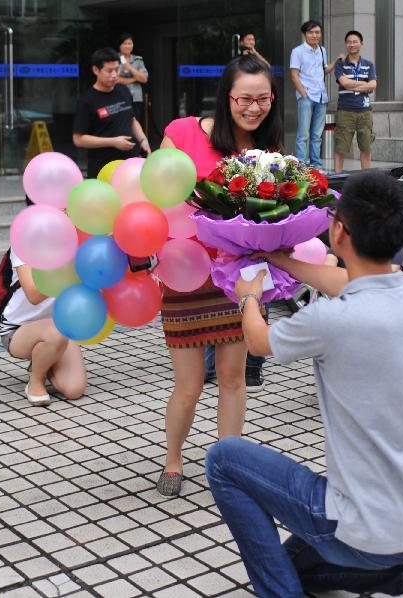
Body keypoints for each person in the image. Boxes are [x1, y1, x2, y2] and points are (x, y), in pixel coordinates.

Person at [205, 171, 403, 598]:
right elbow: (351, 282)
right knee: (293, 566)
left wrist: (248, 297)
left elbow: (257, 339)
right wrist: (280, 260)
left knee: (224, 458)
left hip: (355, 527)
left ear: (338, 231)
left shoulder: (332, 320)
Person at [155, 54, 283, 497]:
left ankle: (228, 464)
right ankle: (173, 459)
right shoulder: (182, 132)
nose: (254, 107)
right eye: (244, 98)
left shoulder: (266, 151)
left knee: (233, 377)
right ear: (225, 96)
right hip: (185, 273)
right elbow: (153, 196)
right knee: (189, 385)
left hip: (239, 277)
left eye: (263, 98)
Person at [0, 201, 88, 407]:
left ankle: (44, 359)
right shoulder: (25, 242)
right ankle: (36, 380)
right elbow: (33, 294)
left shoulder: (75, 242)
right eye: (59, 207)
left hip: (58, 329)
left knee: (74, 389)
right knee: (56, 331)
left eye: (66, 206)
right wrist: (66, 266)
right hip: (18, 330)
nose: (65, 211)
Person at [73, 47, 150, 178]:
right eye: (109, 71)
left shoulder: (123, 90)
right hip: (103, 168)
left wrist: (143, 140)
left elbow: (132, 120)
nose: (114, 74)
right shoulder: (87, 100)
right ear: (96, 70)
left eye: (117, 69)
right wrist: (113, 142)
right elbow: (79, 139)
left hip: (129, 166)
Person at [290, 20, 340, 169]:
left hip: (321, 96)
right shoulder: (297, 51)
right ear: (305, 34)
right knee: (303, 134)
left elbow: (323, 70)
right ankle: (301, 165)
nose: (314, 35)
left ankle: (316, 165)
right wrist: (303, 94)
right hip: (306, 96)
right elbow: (294, 75)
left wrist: (336, 62)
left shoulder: (322, 50)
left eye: (317, 32)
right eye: (311, 32)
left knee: (317, 135)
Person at [334, 30, 376, 173]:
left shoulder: (369, 65)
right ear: (346, 45)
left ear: (361, 44)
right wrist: (365, 85)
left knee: (366, 147)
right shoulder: (340, 64)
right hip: (345, 111)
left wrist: (354, 84)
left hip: (365, 112)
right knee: (341, 148)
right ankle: (337, 179)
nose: (352, 44)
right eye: (349, 42)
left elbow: (374, 85)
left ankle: (367, 178)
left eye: (355, 41)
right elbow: (344, 83)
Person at [117, 33, 149, 127]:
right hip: (119, 97)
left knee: (135, 124)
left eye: (130, 43)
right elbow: (116, 80)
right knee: (121, 124)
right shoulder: (114, 59)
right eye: (125, 43)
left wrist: (129, 67)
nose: (127, 46)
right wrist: (135, 78)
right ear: (120, 45)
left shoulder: (138, 60)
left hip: (136, 98)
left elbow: (144, 79)